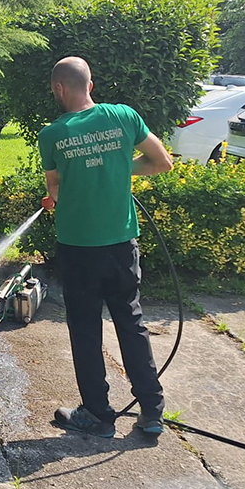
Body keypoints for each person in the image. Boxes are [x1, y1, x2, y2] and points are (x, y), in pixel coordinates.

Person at [38, 56, 174, 438]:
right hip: (121, 244)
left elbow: (56, 189)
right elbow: (162, 162)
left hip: (79, 248)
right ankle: (152, 412)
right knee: (131, 323)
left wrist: (61, 192)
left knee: (85, 329)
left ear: (59, 89)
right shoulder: (124, 116)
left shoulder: (52, 135)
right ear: (90, 85)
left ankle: (98, 415)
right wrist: (116, 166)